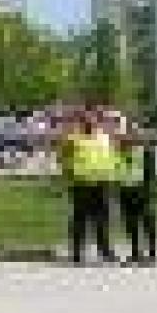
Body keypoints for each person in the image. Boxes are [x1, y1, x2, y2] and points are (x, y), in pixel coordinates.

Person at [58, 109, 119, 264]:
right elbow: (63, 157)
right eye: (86, 119)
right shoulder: (73, 137)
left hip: (102, 182)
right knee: (80, 219)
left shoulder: (104, 137)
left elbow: (111, 157)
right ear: (81, 121)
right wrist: (68, 174)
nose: (90, 122)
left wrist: (112, 175)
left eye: (93, 119)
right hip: (81, 182)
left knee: (102, 219)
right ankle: (77, 252)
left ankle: (105, 251)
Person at [113, 114, 157, 267]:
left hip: (141, 189)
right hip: (125, 189)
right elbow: (115, 170)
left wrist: (148, 189)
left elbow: (150, 172)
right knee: (130, 222)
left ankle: (152, 254)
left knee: (146, 221)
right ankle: (135, 253)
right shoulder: (119, 152)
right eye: (126, 134)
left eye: (132, 133)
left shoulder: (144, 151)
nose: (128, 137)